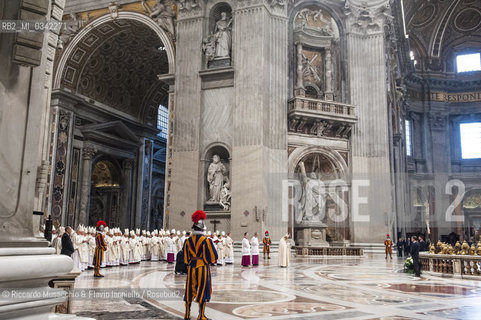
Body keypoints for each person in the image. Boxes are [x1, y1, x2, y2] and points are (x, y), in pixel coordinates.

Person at [183, 210, 217, 320]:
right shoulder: (206, 240)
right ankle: (201, 315)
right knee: (203, 290)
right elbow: (213, 257)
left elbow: (185, 257)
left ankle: (187, 314)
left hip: (191, 267)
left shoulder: (188, 241)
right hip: (202, 268)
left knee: (189, 290)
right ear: (202, 229)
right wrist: (209, 261)